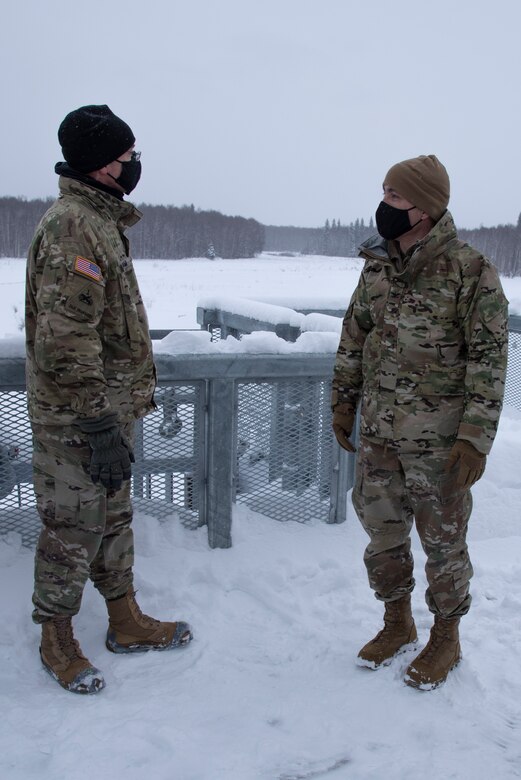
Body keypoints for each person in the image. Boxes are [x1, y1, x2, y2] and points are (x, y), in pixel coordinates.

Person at [25, 105, 193, 695]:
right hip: (79, 417)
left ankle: (124, 620)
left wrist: (111, 417)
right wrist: (97, 422)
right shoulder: (75, 225)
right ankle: (56, 636)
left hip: (107, 413)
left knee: (112, 518)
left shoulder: (99, 220)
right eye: (127, 156)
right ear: (100, 164)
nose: (134, 164)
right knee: (72, 526)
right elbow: (66, 338)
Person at [332, 155, 508, 690]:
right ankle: (396, 621)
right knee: (382, 536)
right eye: (383, 192)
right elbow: (353, 337)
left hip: (439, 445)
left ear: (425, 208)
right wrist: (343, 400)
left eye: (394, 196)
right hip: (380, 436)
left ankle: (446, 638)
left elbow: (488, 360)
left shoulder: (470, 271)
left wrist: (475, 441)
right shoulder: (377, 266)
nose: (383, 205)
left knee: (443, 545)